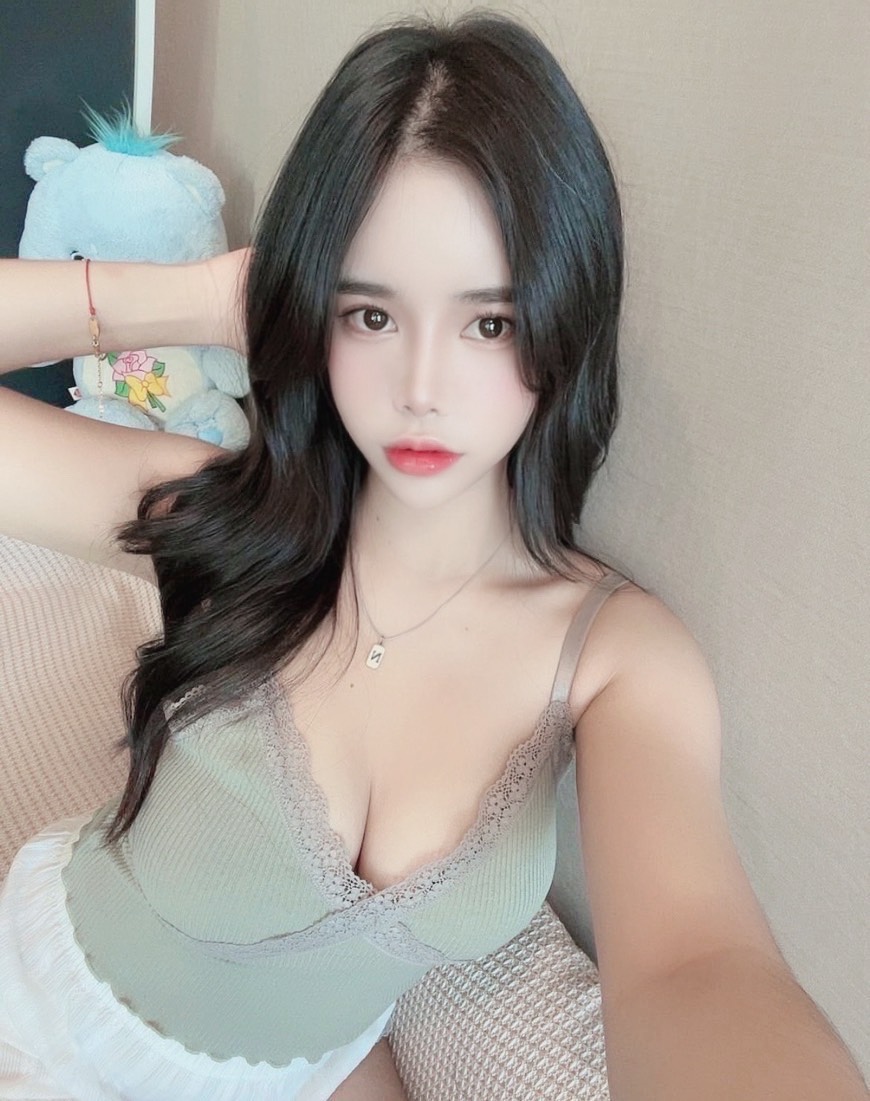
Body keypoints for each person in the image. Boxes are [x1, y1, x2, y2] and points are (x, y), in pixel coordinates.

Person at [0, 12, 865, 1101]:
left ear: (562, 324)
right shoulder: (222, 514)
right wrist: (208, 296)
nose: (421, 387)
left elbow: (698, 962)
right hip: (49, 1021)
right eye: (371, 314)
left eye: (488, 324)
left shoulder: (617, 658)